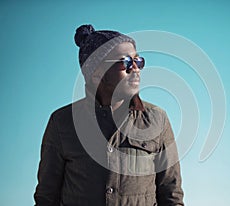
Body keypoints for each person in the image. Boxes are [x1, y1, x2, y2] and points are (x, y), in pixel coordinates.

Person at [34, 24, 184, 206]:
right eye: (126, 62)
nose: (136, 69)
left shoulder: (157, 120)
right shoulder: (62, 122)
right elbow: (46, 198)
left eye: (139, 61)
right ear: (96, 73)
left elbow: (171, 195)